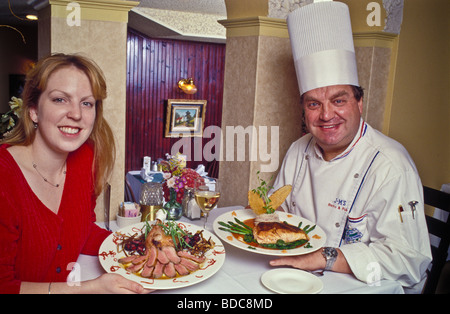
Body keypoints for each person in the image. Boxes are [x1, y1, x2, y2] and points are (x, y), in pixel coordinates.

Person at [269, 1, 431, 293]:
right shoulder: (299, 148)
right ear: (304, 110)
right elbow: (276, 206)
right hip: (298, 278)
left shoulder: (390, 165)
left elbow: (409, 260)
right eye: (314, 104)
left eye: (339, 100)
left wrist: (322, 257)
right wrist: (261, 218)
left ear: (359, 102)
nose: (326, 115)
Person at [0, 53, 149, 294]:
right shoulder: (4, 178)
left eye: (86, 103)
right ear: (33, 110)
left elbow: (82, 230)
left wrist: (140, 242)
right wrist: (93, 288)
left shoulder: (86, 157)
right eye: (60, 99)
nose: (76, 114)